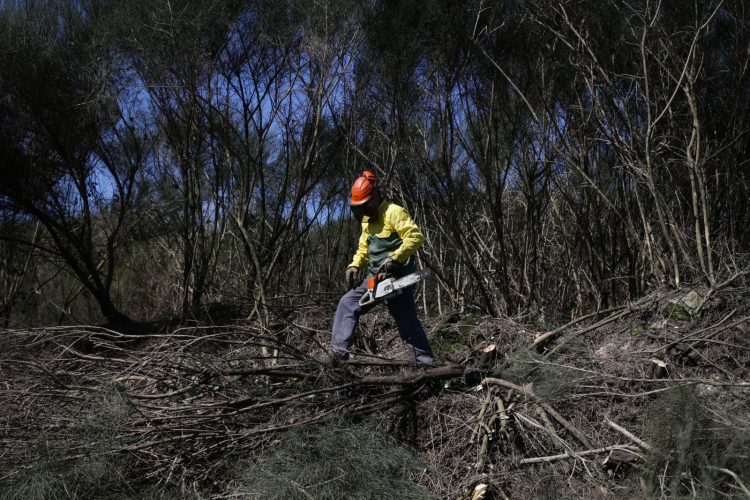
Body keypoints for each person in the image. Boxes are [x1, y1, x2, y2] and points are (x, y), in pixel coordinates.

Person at [329, 171, 435, 365]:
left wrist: (394, 259)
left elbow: (415, 237)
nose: (364, 211)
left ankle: (426, 363)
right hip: (374, 278)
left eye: (366, 206)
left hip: (399, 278)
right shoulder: (366, 221)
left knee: (406, 320)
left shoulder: (394, 212)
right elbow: (364, 247)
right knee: (347, 303)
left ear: (376, 196)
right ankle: (337, 357)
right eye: (359, 208)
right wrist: (354, 264)